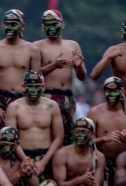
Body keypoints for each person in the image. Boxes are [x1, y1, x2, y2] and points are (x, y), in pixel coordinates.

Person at [35, 10, 87, 145]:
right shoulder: (36, 47)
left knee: (69, 137)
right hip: (47, 96)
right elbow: (33, 76)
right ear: (42, 27)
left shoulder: (73, 45)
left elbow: (82, 77)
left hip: (68, 97)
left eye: (54, 24)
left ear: (62, 25)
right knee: (48, 136)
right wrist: (54, 65)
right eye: (47, 25)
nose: (51, 28)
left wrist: (79, 66)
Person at [49, 117, 122, 186]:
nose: (80, 135)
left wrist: (89, 182)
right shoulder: (62, 154)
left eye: (84, 131)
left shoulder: (99, 157)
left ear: (92, 135)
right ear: (73, 133)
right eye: (77, 131)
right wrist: (81, 180)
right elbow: (61, 184)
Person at [0, 9, 41, 127]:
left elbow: (37, 81)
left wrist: (32, 105)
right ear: (2, 25)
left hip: (25, 98)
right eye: (7, 24)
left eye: (14, 24)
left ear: (22, 26)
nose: (10, 27)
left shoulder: (32, 49)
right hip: (0, 99)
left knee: (24, 138)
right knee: (0, 140)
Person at [5, 70, 63, 184]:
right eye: (30, 86)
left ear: (44, 87)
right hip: (22, 157)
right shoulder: (14, 107)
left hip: (46, 156)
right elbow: (11, 139)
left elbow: (59, 137)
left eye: (37, 87)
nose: (33, 90)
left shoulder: (52, 106)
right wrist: (25, 160)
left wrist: (44, 162)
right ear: (23, 87)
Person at [86, 77, 126, 186]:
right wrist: (104, 138)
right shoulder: (95, 112)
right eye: (108, 91)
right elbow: (83, 142)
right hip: (104, 163)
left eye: (115, 91)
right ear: (103, 92)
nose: (111, 95)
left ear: (123, 92)